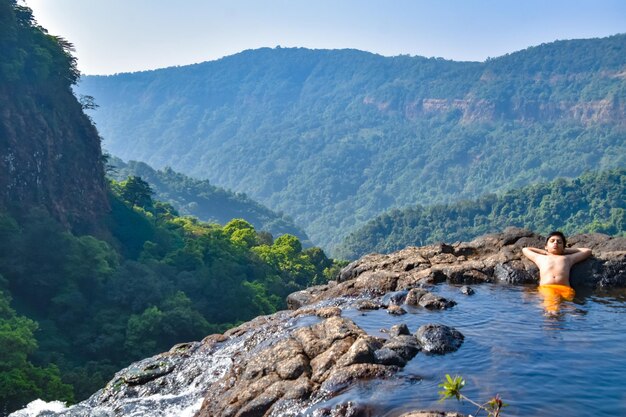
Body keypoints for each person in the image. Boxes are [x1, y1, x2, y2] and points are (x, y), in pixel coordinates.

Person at [522, 231, 592, 313]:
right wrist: (545, 252)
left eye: (559, 242)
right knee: (553, 308)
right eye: (552, 241)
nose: (555, 243)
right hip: (547, 288)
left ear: (563, 247)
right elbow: (525, 249)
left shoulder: (568, 258)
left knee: (570, 309)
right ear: (546, 246)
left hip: (565, 289)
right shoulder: (540, 258)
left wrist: (565, 251)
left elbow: (588, 251)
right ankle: (552, 318)